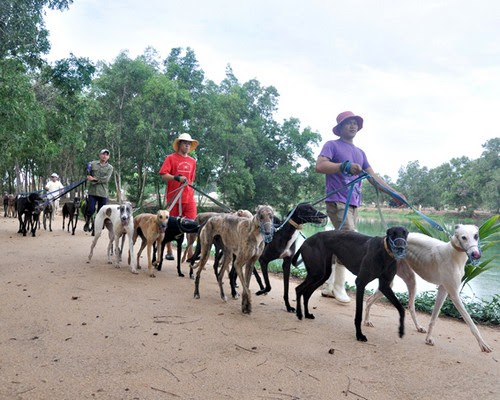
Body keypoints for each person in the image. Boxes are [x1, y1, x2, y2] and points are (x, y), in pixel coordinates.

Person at [315, 111, 406, 303]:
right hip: (338, 200)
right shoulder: (332, 145)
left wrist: (395, 194)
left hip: (354, 203)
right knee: (348, 238)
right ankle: (339, 287)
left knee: (338, 240)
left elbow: (374, 178)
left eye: (355, 123)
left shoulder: (360, 153)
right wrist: (344, 166)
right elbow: (320, 166)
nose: (353, 125)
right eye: (348, 123)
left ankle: (329, 285)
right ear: (339, 128)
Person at [159, 133, 198, 260]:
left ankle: (190, 252)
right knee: (168, 225)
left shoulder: (192, 161)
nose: (187, 145)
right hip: (174, 197)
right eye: (185, 142)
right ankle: (169, 250)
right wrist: (176, 178)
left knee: (192, 225)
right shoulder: (171, 158)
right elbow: (164, 175)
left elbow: (191, 180)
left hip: (189, 197)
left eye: (189, 143)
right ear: (179, 144)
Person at [84, 149, 114, 232]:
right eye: (103, 154)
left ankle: (95, 227)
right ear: (100, 155)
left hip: (103, 192)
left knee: (101, 212)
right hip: (92, 191)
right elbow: (87, 172)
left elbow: (106, 179)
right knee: (90, 209)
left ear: (108, 157)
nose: (104, 156)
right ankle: (88, 221)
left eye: (106, 155)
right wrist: (87, 174)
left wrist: (94, 179)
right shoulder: (93, 164)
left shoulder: (110, 167)